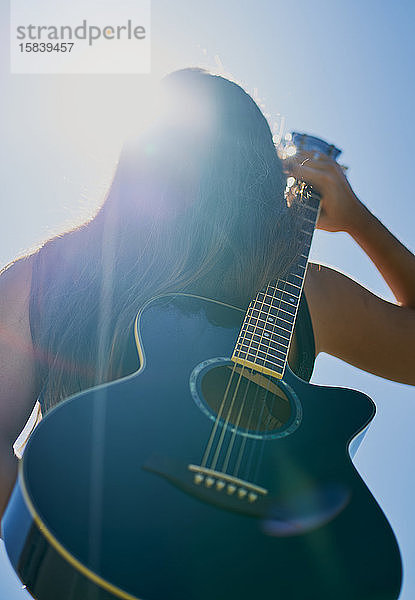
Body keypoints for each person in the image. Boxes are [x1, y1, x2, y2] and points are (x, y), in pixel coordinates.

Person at [0, 67, 414, 522]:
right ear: (260, 178)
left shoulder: (43, 274)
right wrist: (357, 219)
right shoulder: (306, 292)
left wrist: (71, 540)